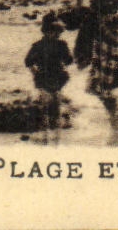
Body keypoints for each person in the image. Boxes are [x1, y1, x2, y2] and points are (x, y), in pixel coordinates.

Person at [82, 0, 118, 144]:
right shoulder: (100, 18)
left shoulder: (115, 19)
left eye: (110, 1)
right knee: (103, 92)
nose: (108, 4)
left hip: (110, 60)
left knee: (106, 92)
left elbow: (116, 39)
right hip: (102, 58)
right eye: (104, 1)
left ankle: (115, 124)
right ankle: (115, 123)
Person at [25, 13, 73, 144]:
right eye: (54, 31)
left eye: (56, 32)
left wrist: (35, 72)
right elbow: (69, 60)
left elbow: (28, 62)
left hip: (45, 78)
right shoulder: (61, 45)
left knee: (48, 107)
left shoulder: (38, 45)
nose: (55, 34)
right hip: (56, 77)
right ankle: (53, 138)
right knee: (53, 107)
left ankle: (48, 136)